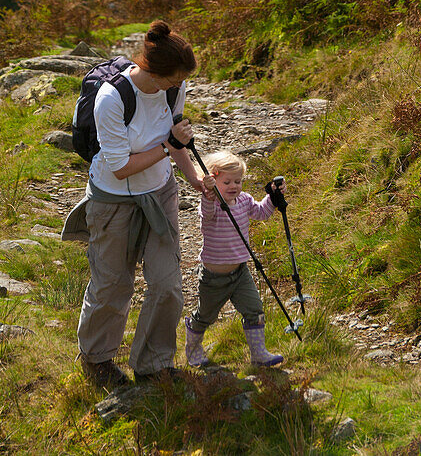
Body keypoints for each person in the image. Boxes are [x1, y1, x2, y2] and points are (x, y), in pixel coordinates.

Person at [63, 20, 207, 390]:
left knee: (168, 285)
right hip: (114, 200)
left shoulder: (173, 89)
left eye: (181, 81)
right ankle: (96, 361)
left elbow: (174, 137)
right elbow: (122, 166)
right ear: (153, 71)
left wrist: (194, 180)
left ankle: (153, 364)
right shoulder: (112, 99)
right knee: (112, 285)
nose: (179, 86)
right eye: (174, 79)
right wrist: (167, 147)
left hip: (160, 193)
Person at [184, 150, 286, 369]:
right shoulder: (211, 204)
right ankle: (193, 350)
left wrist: (273, 197)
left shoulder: (244, 200)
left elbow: (261, 213)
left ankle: (259, 355)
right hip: (213, 278)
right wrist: (209, 193)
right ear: (212, 181)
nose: (233, 186)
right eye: (227, 181)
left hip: (240, 273)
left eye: (238, 181)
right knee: (205, 317)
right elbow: (207, 214)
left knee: (255, 311)